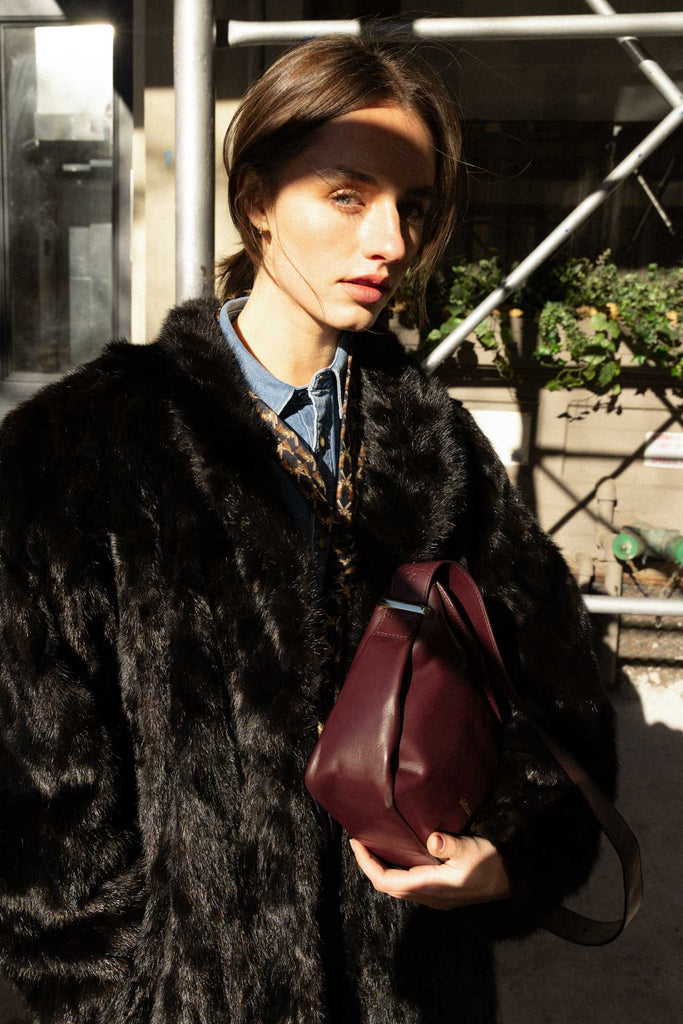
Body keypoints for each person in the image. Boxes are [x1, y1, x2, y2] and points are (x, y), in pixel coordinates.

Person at [0, 36, 615, 1024]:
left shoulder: (437, 449)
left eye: (411, 207)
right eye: (346, 195)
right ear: (255, 200)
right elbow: (34, 792)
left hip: (412, 991)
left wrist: (506, 853)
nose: (391, 242)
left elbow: (558, 692)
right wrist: (123, 998)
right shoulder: (82, 449)